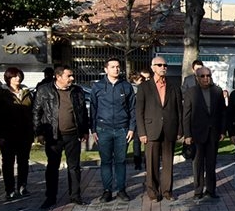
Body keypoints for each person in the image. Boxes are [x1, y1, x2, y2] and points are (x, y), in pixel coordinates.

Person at [33, 65, 89, 209]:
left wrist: (84, 131)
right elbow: (36, 112)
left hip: (73, 135)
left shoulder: (77, 91)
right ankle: (50, 197)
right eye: (68, 76)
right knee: (52, 167)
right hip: (53, 137)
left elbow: (82, 112)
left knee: (74, 167)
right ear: (58, 77)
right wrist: (38, 132)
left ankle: (75, 196)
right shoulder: (44, 90)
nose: (72, 78)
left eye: (72, 75)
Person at [135, 56, 183, 201]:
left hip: (169, 129)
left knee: (168, 163)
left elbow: (179, 110)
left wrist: (180, 130)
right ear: (153, 67)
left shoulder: (174, 86)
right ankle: (153, 192)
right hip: (151, 130)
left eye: (165, 65)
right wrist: (142, 132)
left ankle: (167, 191)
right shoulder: (144, 87)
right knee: (152, 163)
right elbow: (139, 111)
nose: (163, 67)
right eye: (160, 65)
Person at [90, 58, 136, 203]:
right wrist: (93, 129)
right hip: (103, 129)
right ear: (106, 69)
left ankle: (121, 190)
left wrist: (131, 128)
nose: (116, 69)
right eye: (112, 67)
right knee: (106, 161)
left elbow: (132, 109)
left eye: (118, 66)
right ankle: (107, 191)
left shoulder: (126, 86)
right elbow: (93, 109)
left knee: (121, 161)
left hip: (122, 130)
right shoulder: (97, 87)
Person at [183, 66, 226, 199]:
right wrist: (187, 134)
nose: (206, 78)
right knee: (198, 164)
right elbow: (186, 115)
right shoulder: (191, 92)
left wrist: (223, 131)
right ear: (197, 78)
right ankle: (198, 190)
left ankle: (211, 190)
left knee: (211, 163)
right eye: (203, 76)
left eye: (208, 75)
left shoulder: (217, 91)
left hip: (213, 133)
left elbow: (222, 113)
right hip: (197, 133)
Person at [0, 67, 34, 200]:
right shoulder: (2, 93)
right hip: (7, 135)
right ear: (8, 78)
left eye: (19, 76)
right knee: (8, 163)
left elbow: (32, 112)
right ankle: (9, 189)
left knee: (23, 162)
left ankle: (22, 186)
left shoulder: (26, 92)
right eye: (14, 76)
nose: (18, 78)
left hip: (25, 134)